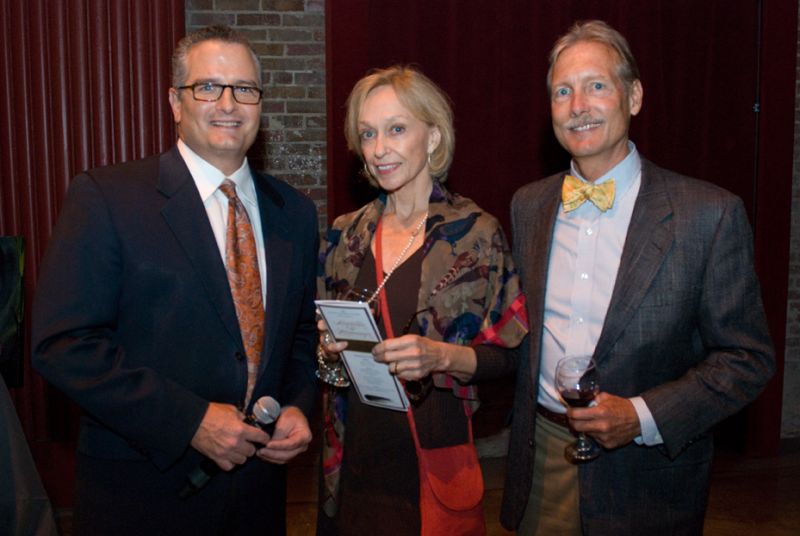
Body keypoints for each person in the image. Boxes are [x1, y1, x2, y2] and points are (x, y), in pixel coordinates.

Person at [31, 25, 318, 535]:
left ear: (260, 104)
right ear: (175, 102)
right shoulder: (107, 198)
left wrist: (296, 405)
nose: (228, 104)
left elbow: (297, 338)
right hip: (143, 496)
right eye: (208, 87)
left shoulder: (293, 212)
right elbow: (64, 344)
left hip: (258, 497)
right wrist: (189, 422)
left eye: (245, 89)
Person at [502, 20, 775, 536]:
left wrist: (642, 416)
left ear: (634, 97)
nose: (577, 104)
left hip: (649, 480)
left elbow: (748, 359)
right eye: (563, 91)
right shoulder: (529, 206)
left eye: (596, 85)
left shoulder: (708, 215)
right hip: (541, 463)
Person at [316, 65, 528, 535]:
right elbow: (323, 349)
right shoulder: (344, 234)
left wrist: (442, 355)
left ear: (432, 137)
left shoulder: (474, 233)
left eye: (396, 129)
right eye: (367, 134)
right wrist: (328, 351)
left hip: (435, 461)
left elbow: (510, 356)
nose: (378, 149)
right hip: (352, 459)